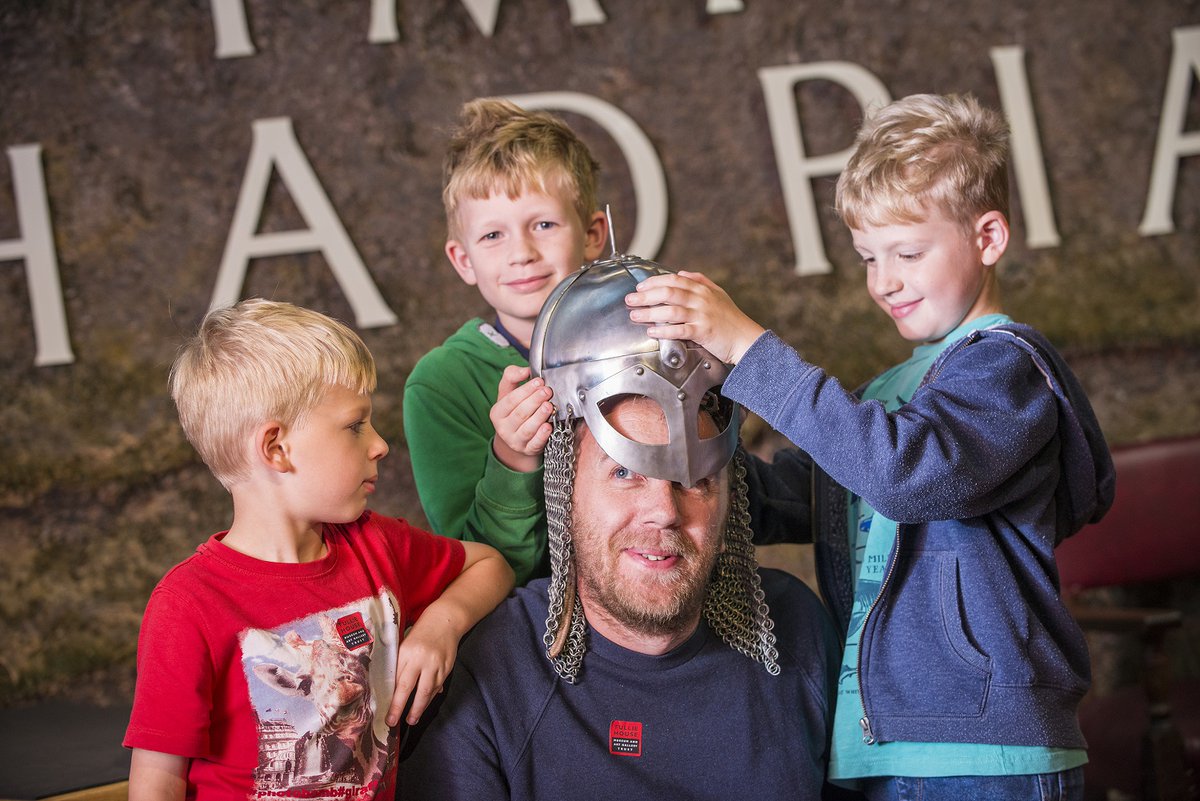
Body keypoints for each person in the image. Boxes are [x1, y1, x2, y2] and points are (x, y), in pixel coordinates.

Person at [626, 93, 1115, 800]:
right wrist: (689, 412)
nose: (884, 280)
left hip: (983, 752)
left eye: (908, 252)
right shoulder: (886, 389)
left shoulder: (1007, 368)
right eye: (867, 257)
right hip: (875, 747)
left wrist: (751, 348)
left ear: (988, 238)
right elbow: (780, 499)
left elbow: (905, 474)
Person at [400, 255, 840, 800]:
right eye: (626, 472)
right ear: (564, 489)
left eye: (695, 479)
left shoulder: (797, 630)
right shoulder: (491, 674)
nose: (664, 510)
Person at [123, 299, 514, 801]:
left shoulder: (378, 545)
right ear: (276, 449)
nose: (380, 445)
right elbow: (158, 780)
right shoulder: (185, 605)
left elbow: (490, 565)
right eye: (355, 425)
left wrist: (442, 625)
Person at [403, 98, 609, 585]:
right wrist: (511, 460)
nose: (522, 253)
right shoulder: (441, 386)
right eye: (493, 235)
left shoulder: (649, 331)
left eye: (543, 224)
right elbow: (485, 570)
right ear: (463, 259)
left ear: (593, 233)